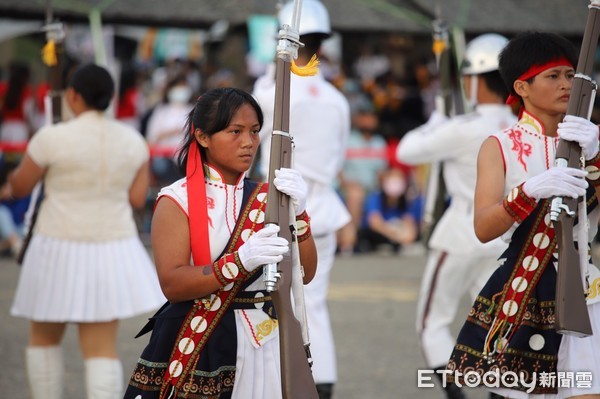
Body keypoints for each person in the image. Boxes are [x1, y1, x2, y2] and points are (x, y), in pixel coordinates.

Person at [123, 87, 318, 398]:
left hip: (264, 339)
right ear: (202, 137)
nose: (248, 142)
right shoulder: (177, 198)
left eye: (254, 131)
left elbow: (304, 273)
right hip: (201, 335)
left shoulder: (269, 197)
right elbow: (172, 283)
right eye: (235, 131)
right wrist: (239, 262)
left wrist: (301, 215)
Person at [447, 31, 600, 399]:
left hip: (584, 287)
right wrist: (528, 192)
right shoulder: (499, 145)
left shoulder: (591, 141)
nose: (565, 85)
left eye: (569, 76)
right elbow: (484, 226)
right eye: (552, 76)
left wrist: (595, 158)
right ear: (522, 87)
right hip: (525, 286)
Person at [8, 63, 166, 399]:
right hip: (110, 244)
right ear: (109, 98)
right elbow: (138, 198)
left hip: (55, 243)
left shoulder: (51, 137)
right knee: (101, 348)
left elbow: (20, 186)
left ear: (74, 96)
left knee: (44, 339)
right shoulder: (133, 140)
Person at [396, 33, 516, 399]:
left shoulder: (463, 128)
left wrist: (437, 120)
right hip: (503, 237)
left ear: (479, 80)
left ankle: (457, 394)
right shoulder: (518, 126)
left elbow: (407, 151)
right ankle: (502, 390)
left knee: (432, 323)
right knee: (498, 324)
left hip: (462, 234)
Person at [252, 1, 352, 397]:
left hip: (277, 209)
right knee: (315, 303)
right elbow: (339, 155)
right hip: (322, 207)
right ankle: (320, 384)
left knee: (269, 301)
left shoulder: (269, 91)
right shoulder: (338, 100)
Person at [356, 166, 421, 253]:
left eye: (398, 180)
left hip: (398, 235)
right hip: (379, 234)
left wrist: (404, 236)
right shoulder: (376, 197)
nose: (394, 183)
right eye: (392, 179)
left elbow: (410, 224)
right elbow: (374, 222)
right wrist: (392, 234)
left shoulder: (407, 200)